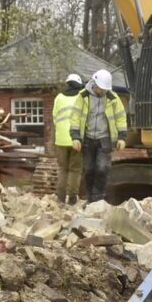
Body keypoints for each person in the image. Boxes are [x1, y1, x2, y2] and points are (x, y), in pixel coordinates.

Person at [69, 69, 127, 203]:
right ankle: (90, 197)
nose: (102, 91)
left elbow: (121, 117)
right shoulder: (83, 96)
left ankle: (98, 198)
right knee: (88, 169)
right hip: (87, 139)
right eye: (100, 88)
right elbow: (75, 117)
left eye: (104, 89)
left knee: (102, 169)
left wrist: (122, 137)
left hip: (105, 139)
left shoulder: (112, 98)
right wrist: (75, 137)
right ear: (94, 83)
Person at [52, 73, 84, 205]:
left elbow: (55, 118)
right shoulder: (82, 97)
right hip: (76, 139)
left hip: (61, 140)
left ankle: (60, 197)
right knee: (75, 170)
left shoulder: (59, 97)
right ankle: (72, 198)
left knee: (62, 169)